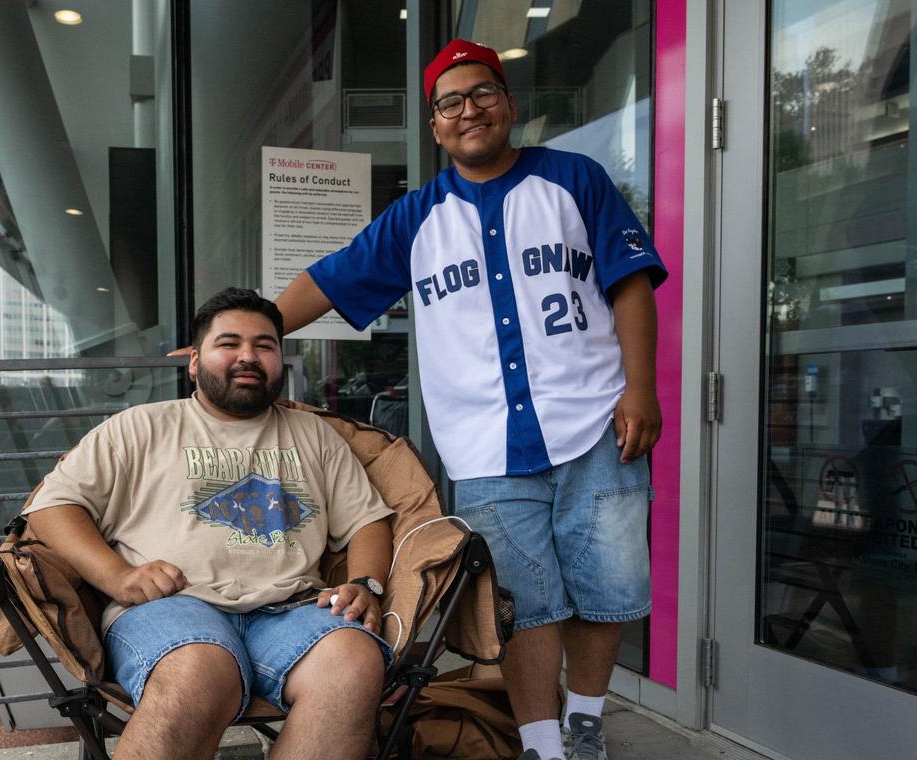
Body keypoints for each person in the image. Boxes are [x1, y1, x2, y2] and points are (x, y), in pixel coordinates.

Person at [271, 39, 666, 760]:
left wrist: (642, 387)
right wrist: (245, 333)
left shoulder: (576, 179)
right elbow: (328, 281)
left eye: (482, 92)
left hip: (596, 424)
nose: (468, 110)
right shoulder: (415, 217)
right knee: (522, 606)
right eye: (449, 103)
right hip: (484, 446)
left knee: (605, 590)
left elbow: (630, 285)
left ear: (509, 103)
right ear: (435, 126)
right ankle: (542, 744)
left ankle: (585, 723)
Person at [26, 287, 395, 760]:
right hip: (171, 609)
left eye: (264, 346)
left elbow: (366, 520)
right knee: (200, 669)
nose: (248, 356)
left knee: (355, 660)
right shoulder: (140, 426)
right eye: (229, 344)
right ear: (195, 362)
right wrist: (117, 576)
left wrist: (366, 581)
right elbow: (53, 506)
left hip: (290, 609)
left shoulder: (315, 436)